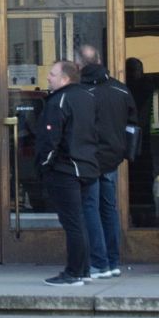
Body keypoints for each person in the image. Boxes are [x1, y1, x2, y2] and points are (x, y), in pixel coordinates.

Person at [36, 60, 99, 287]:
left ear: (65, 79)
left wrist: (44, 164)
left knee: (73, 222)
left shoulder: (60, 100)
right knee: (79, 220)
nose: (48, 78)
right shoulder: (89, 97)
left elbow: (51, 138)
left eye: (52, 74)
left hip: (65, 169)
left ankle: (74, 272)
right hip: (86, 167)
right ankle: (82, 270)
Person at [77, 45, 136, 279]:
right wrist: (123, 152)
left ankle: (98, 262)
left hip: (89, 158)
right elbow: (133, 124)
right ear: (99, 60)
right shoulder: (120, 90)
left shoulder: (79, 91)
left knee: (90, 208)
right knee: (108, 209)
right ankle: (112, 261)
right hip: (112, 158)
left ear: (80, 65)